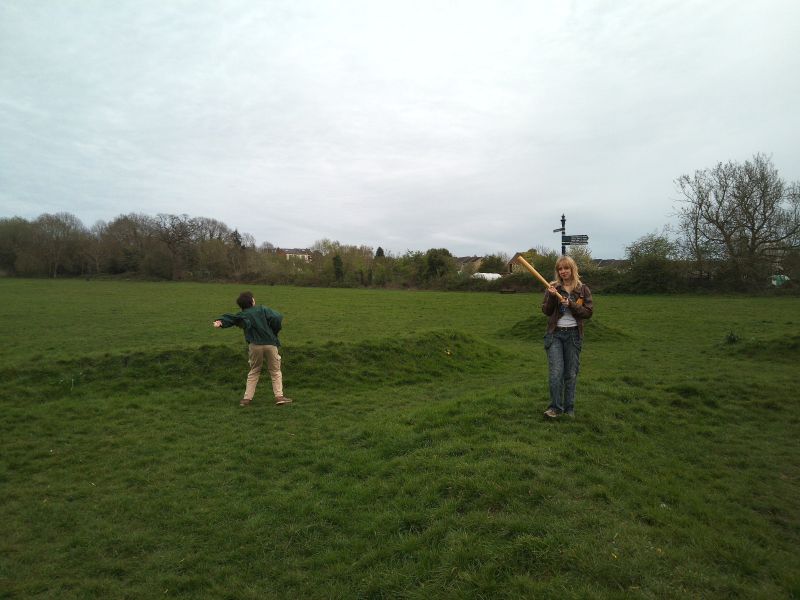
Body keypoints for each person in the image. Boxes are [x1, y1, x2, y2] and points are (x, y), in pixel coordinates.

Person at [213, 291, 293, 407]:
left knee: (254, 371)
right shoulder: (262, 309)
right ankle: (279, 397)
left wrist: (220, 322)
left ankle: (246, 399)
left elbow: (232, 319)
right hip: (270, 343)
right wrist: (274, 330)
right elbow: (277, 317)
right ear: (252, 301)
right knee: (275, 371)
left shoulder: (242, 314)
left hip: (254, 345)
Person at [541, 256, 593, 418]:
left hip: (573, 336)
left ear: (573, 269)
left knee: (570, 373)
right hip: (555, 334)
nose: (563, 272)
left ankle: (569, 408)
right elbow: (546, 311)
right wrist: (550, 295)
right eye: (560, 269)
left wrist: (571, 304)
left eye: (566, 268)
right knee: (556, 372)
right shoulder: (553, 288)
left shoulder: (583, 289)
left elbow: (588, 313)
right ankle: (555, 408)